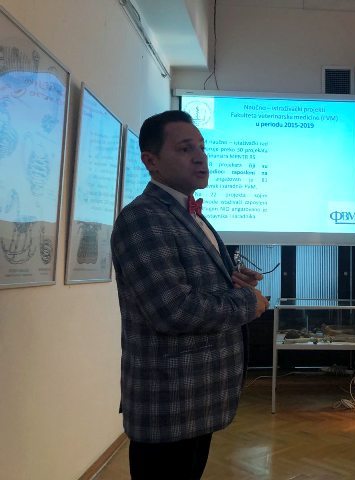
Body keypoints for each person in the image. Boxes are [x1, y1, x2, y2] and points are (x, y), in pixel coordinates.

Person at [111, 110, 270, 479]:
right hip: (170, 404)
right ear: (151, 161)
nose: (200, 157)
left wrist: (232, 281)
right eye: (185, 149)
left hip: (196, 399)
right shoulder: (143, 217)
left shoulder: (187, 212)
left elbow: (190, 284)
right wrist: (249, 302)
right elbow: (172, 309)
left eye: (202, 147)